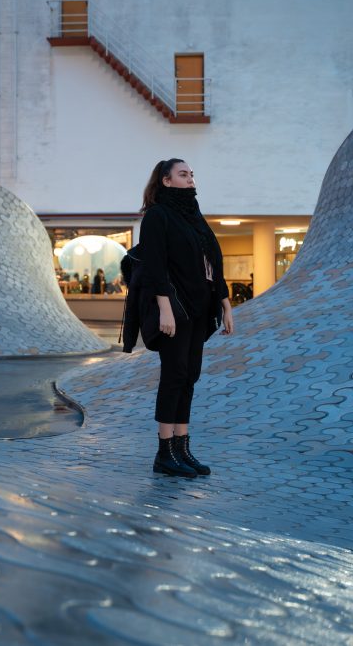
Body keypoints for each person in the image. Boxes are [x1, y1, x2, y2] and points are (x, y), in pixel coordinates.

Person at [135, 158, 234, 477]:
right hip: (176, 308)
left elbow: (212, 260)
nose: (190, 179)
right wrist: (164, 307)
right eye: (183, 174)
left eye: (192, 174)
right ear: (166, 181)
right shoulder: (157, 216)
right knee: (174, 375)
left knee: (189, 375)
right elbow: (155, 265)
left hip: (200, 306)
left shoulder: (193, 215)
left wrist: (225, 303)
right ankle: (164, 452)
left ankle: (182, 447)